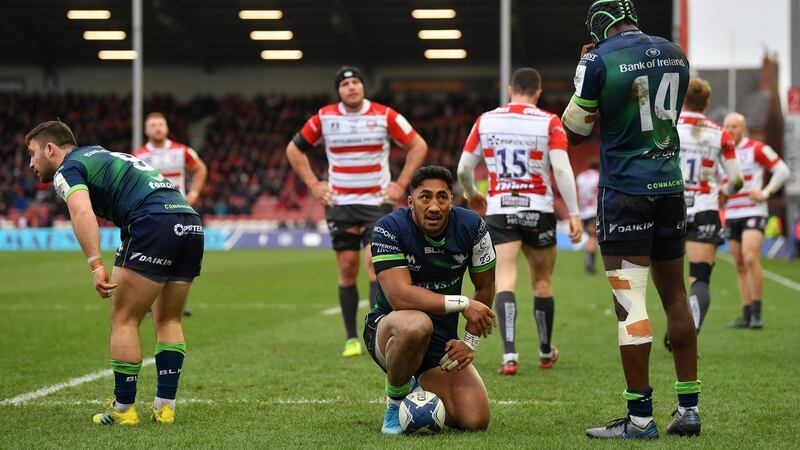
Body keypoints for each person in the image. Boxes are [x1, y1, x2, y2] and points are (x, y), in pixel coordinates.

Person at [561, 0, 701, 438]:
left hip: (624, 191)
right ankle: (689, 410)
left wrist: (584, 66)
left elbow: (574, 130)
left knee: (630, 302)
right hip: (670, 186)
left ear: (598, 26)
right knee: (676, 295)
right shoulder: (676, 53)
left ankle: (640, 418)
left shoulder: (598, 59)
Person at [26, 121, 203, 426]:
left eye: (32, 153)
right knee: (168, 319)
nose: (31, 163)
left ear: (50, 149)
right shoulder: (102, 154)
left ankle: (124, 410)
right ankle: (165, 408)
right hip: (189, 221)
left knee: (123, 318)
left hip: (152, 222)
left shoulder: (68, 169)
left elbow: (82, 212)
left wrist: (96, 265)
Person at [286, 66, 427, 357]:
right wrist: (314, 184)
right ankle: (351, 337)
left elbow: (418, 145)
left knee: (375, 266)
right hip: (340, 205)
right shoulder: (324, 117)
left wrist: (401, 184)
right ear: (338, 90)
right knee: (347, 269)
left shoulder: (384, 115)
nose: (351, 87)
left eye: (356, 82)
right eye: (345, 83)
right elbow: (293, 149)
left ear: (363, 87)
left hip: (376, 203)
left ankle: (376, 332)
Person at [457, 67, 582, 376]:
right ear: (537, 94)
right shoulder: (549, 122)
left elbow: (462, 168)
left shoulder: (485, 120)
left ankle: (510, 355)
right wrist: (575, 212)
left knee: (506, 280)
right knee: (542, 282)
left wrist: (473, 193)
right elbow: (562, 170)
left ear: (510, 89)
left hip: (501, 209)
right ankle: (543, 351)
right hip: (538, 209)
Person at [364, 166, 497, 434]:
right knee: (416, 324)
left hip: (440, 339)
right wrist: (462, 303)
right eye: (425, 197)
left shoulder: (473, 227)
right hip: (391, 328)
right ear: (411, 201)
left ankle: (417, 383)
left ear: (452, 199)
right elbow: (400, 296)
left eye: (442, 197)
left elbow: (485, 288)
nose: (434, 206)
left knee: (474, 419)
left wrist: (468, 342)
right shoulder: (389, 228)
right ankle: (396, 401)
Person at [665, 78, 743, 351]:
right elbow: (736, 180)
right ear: (707, 103)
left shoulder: (668, 124)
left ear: (682, 100)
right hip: (705, 209)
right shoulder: (720, 133)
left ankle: (675, 328)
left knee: (669, 278)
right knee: (700, 277)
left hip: (670, 206)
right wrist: (724, 191)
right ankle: (689, 330)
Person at [134, 112, 207, 317]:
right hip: (151, 214)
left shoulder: (181, 151)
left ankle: (178, 302)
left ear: (166, 128)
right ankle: (150, 301)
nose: (157, 128)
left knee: (178, 258)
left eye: (161, 124)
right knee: (150, 258)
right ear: (146, 130)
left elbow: (200, 169)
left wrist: (193, 194)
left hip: (178, 212)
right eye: (153, 125)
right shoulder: (139, 156)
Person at [722, 113, 791, 328]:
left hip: (753, 211)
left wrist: (766, 192)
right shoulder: (720, 152)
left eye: (734, 126)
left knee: (750, 257)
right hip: (731, 213)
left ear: (743, 129)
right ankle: (746, 311)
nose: (730, 130)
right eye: (727, 126)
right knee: (740, 264)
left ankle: (757, 312)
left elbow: (782, 170)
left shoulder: (756, 148)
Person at [576, 159, 601, 274]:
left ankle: (589, 262)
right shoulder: (598, 177)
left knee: (591, 236)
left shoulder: (580, 177)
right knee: (593, 236)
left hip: (583, 211)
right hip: (593, 211)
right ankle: (589, 264)